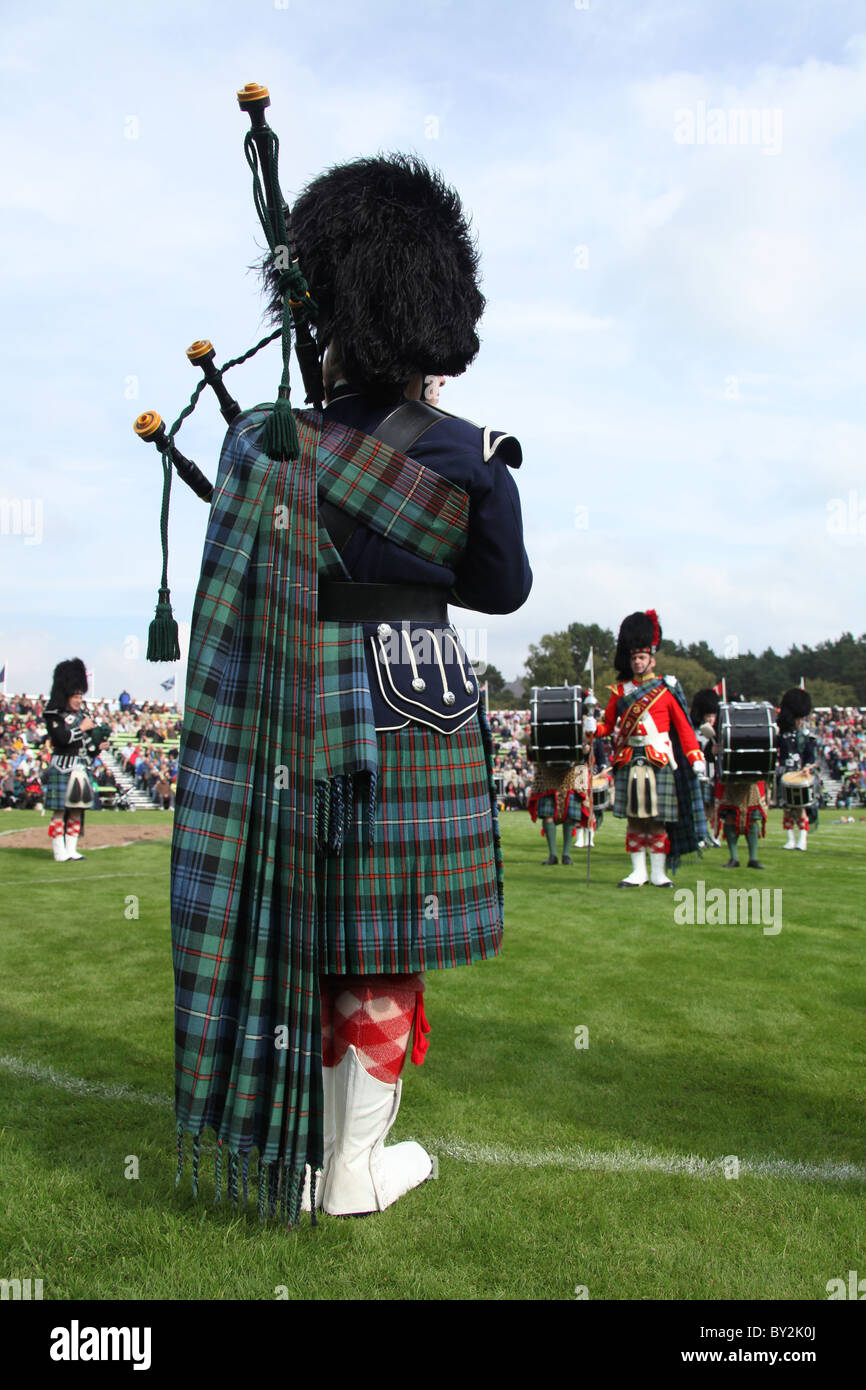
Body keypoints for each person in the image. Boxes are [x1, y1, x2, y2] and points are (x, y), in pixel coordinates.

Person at [170, 154, 532, 1222]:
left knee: (310, 938)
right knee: (385, 944)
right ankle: (354, 1170)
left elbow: (235, 587)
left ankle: (306, 1156)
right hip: (412, 705)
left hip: (290, 708)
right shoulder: (468, 454)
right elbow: (501, 590)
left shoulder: (257, 441)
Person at [594, 610, 706, 887]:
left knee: (657, 821)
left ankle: (658, 873)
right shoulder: (620, 692)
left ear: (652, 659)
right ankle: (637, 872)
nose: (637, 662)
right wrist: (591, 727)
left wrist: (695, 757)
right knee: (634, 820)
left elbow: (684, 729)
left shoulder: (666, 690)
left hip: (659, 761)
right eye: (633, 658)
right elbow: (607, 727)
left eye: (642, 657)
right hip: (631, 759)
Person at [43, 659, 108, 861]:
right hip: (63, 767)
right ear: (66, 695)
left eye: (80, 695)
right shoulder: (54, 714)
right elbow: (61, 739)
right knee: (59, 811)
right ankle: (58, 851)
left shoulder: (83, 715)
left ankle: (71, 849)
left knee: (76, 811)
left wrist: (98, 749)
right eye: (75, 695)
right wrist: (82, 729)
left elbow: (87, 749)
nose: (79, 699)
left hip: (81, 767)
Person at [777, 688, 818, 851]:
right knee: (787, 809)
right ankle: (790, 840)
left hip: (801, 773)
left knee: (801, 809)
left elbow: (811, 757)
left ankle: (803, 839)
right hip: (786, 773)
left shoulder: (807, 736)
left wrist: (808, 768)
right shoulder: (782, 735)